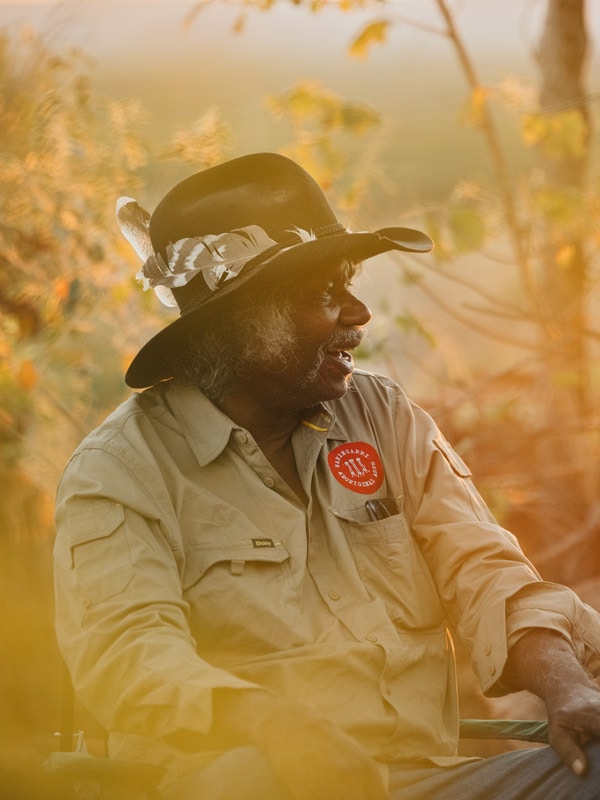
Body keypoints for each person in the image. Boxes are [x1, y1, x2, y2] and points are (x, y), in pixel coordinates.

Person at [53, 152, 600, 800]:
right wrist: (274, 726)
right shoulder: (119, 472)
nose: (358, 312)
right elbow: (130, 658)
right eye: (323, 293)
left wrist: (567, 687)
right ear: (239, 321)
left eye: (351, 282)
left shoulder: (384, 415)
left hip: (432, 783)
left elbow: (483, 571)